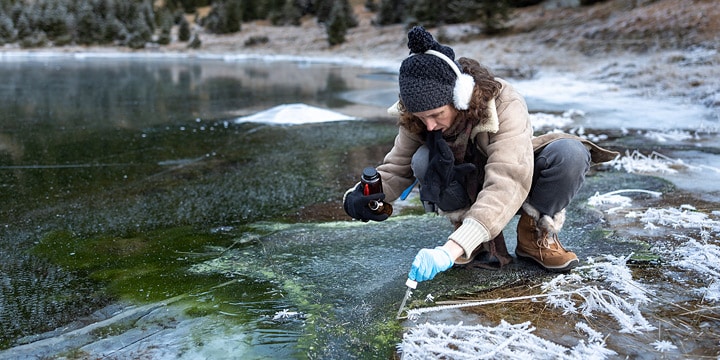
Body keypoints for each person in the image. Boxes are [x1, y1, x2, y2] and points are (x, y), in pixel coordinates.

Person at [343, 26, 618, 284]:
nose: (429, 125)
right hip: (465, 184)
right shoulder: (422, 118)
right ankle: (467, 231)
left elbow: (508, 179)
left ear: (459, 98)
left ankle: (534, 234)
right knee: (422, 160)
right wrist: (362, 196)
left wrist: (449, 251)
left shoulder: (504, 102)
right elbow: (398, 167)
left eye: (437, 115)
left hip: (516, 177)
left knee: (569, 153)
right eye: (420, 117)